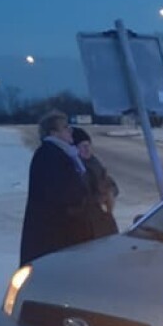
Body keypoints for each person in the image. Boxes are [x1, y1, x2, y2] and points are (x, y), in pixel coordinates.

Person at [19, 109, 108, 264]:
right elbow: (66, 194)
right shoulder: (49, 155)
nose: (70, 130)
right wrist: (87, 200)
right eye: (65, 127)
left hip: (62, 234)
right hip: (54, 237)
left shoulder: (62, 154)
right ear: (53, 132)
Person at [71, 127, 119, 237]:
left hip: (102, 216)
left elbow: (111, 185)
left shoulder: (95, 162)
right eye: (82, 147)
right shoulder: (75, 167)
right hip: (86, 222)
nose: (87, 149)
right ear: (74, 149)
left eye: (88, 146)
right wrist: (97, 198)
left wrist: (110, 190)